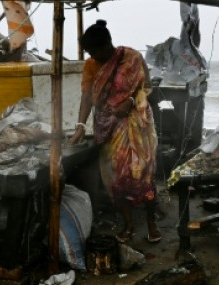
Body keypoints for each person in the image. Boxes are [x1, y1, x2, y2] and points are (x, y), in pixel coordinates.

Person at [69, 20, 161, 244]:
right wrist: (80, 126)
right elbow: (86, 97)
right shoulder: (91, 65)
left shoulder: (131, 57)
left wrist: (130, 101)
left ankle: (151, 223)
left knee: (144, 173)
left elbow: (146, 86)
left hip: (137, 123)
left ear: (107, 45)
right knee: (117, 177)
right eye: (89, 53)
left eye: (94, 51)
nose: (93, 56)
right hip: (109, 127)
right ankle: (128, 225)